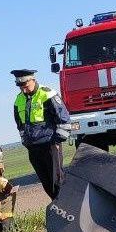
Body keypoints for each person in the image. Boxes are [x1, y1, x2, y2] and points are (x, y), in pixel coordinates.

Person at [11, 68, 70, 198]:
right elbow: (20, 125)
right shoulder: (18, 99)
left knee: (57, 181)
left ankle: (67, 207)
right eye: (20, 87)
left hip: (50, 145)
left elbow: (63, 119)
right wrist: (25, 141)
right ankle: (57, 207)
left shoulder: (47, 94)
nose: (23, 89)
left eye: (25, 86)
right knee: (46, 183)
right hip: (33, 147)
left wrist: (57, 140)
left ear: (33, 80)